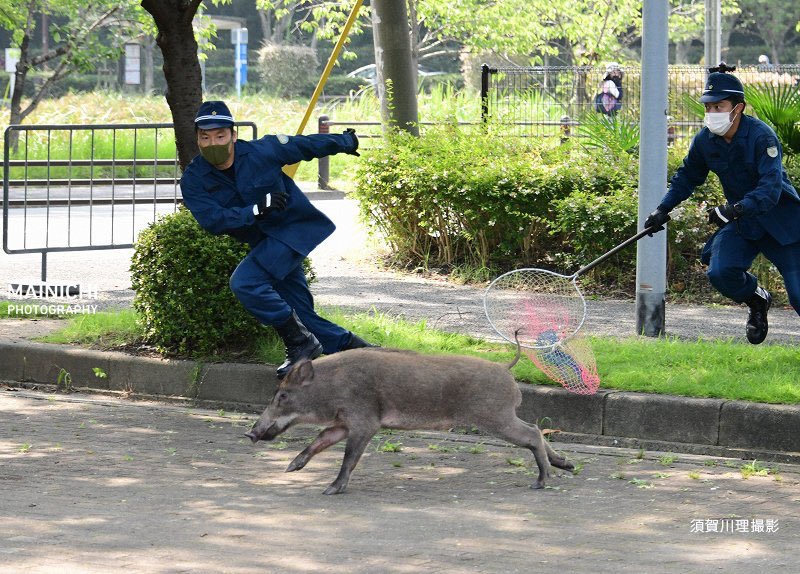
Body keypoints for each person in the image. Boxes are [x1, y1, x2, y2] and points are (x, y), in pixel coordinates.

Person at [181, 100, 375, 378]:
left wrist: (344, 141)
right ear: (198, 139)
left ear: (233, 136)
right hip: (264, 242)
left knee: (245, 283)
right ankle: (363, 357)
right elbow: (213, 220)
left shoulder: (263, 150)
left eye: (220, 135)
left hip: (293, 231)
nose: (213, 143)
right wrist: (255, 210)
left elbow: (303, 145)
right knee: (301, 315)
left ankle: (300, 343)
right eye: (205, 137)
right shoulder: (195, 178)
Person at [645, 66, 800, 344]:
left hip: (782, 223)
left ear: (738, 107)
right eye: (709, 106)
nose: (712, 112)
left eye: (719, 106)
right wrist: (662, 209)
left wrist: (735, 209)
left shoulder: (761, 137)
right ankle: (757, 299)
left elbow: (770, 189)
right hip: (744, 224)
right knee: (720, 272)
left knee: (799, 295)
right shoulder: (706, 141)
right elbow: (687, 176)